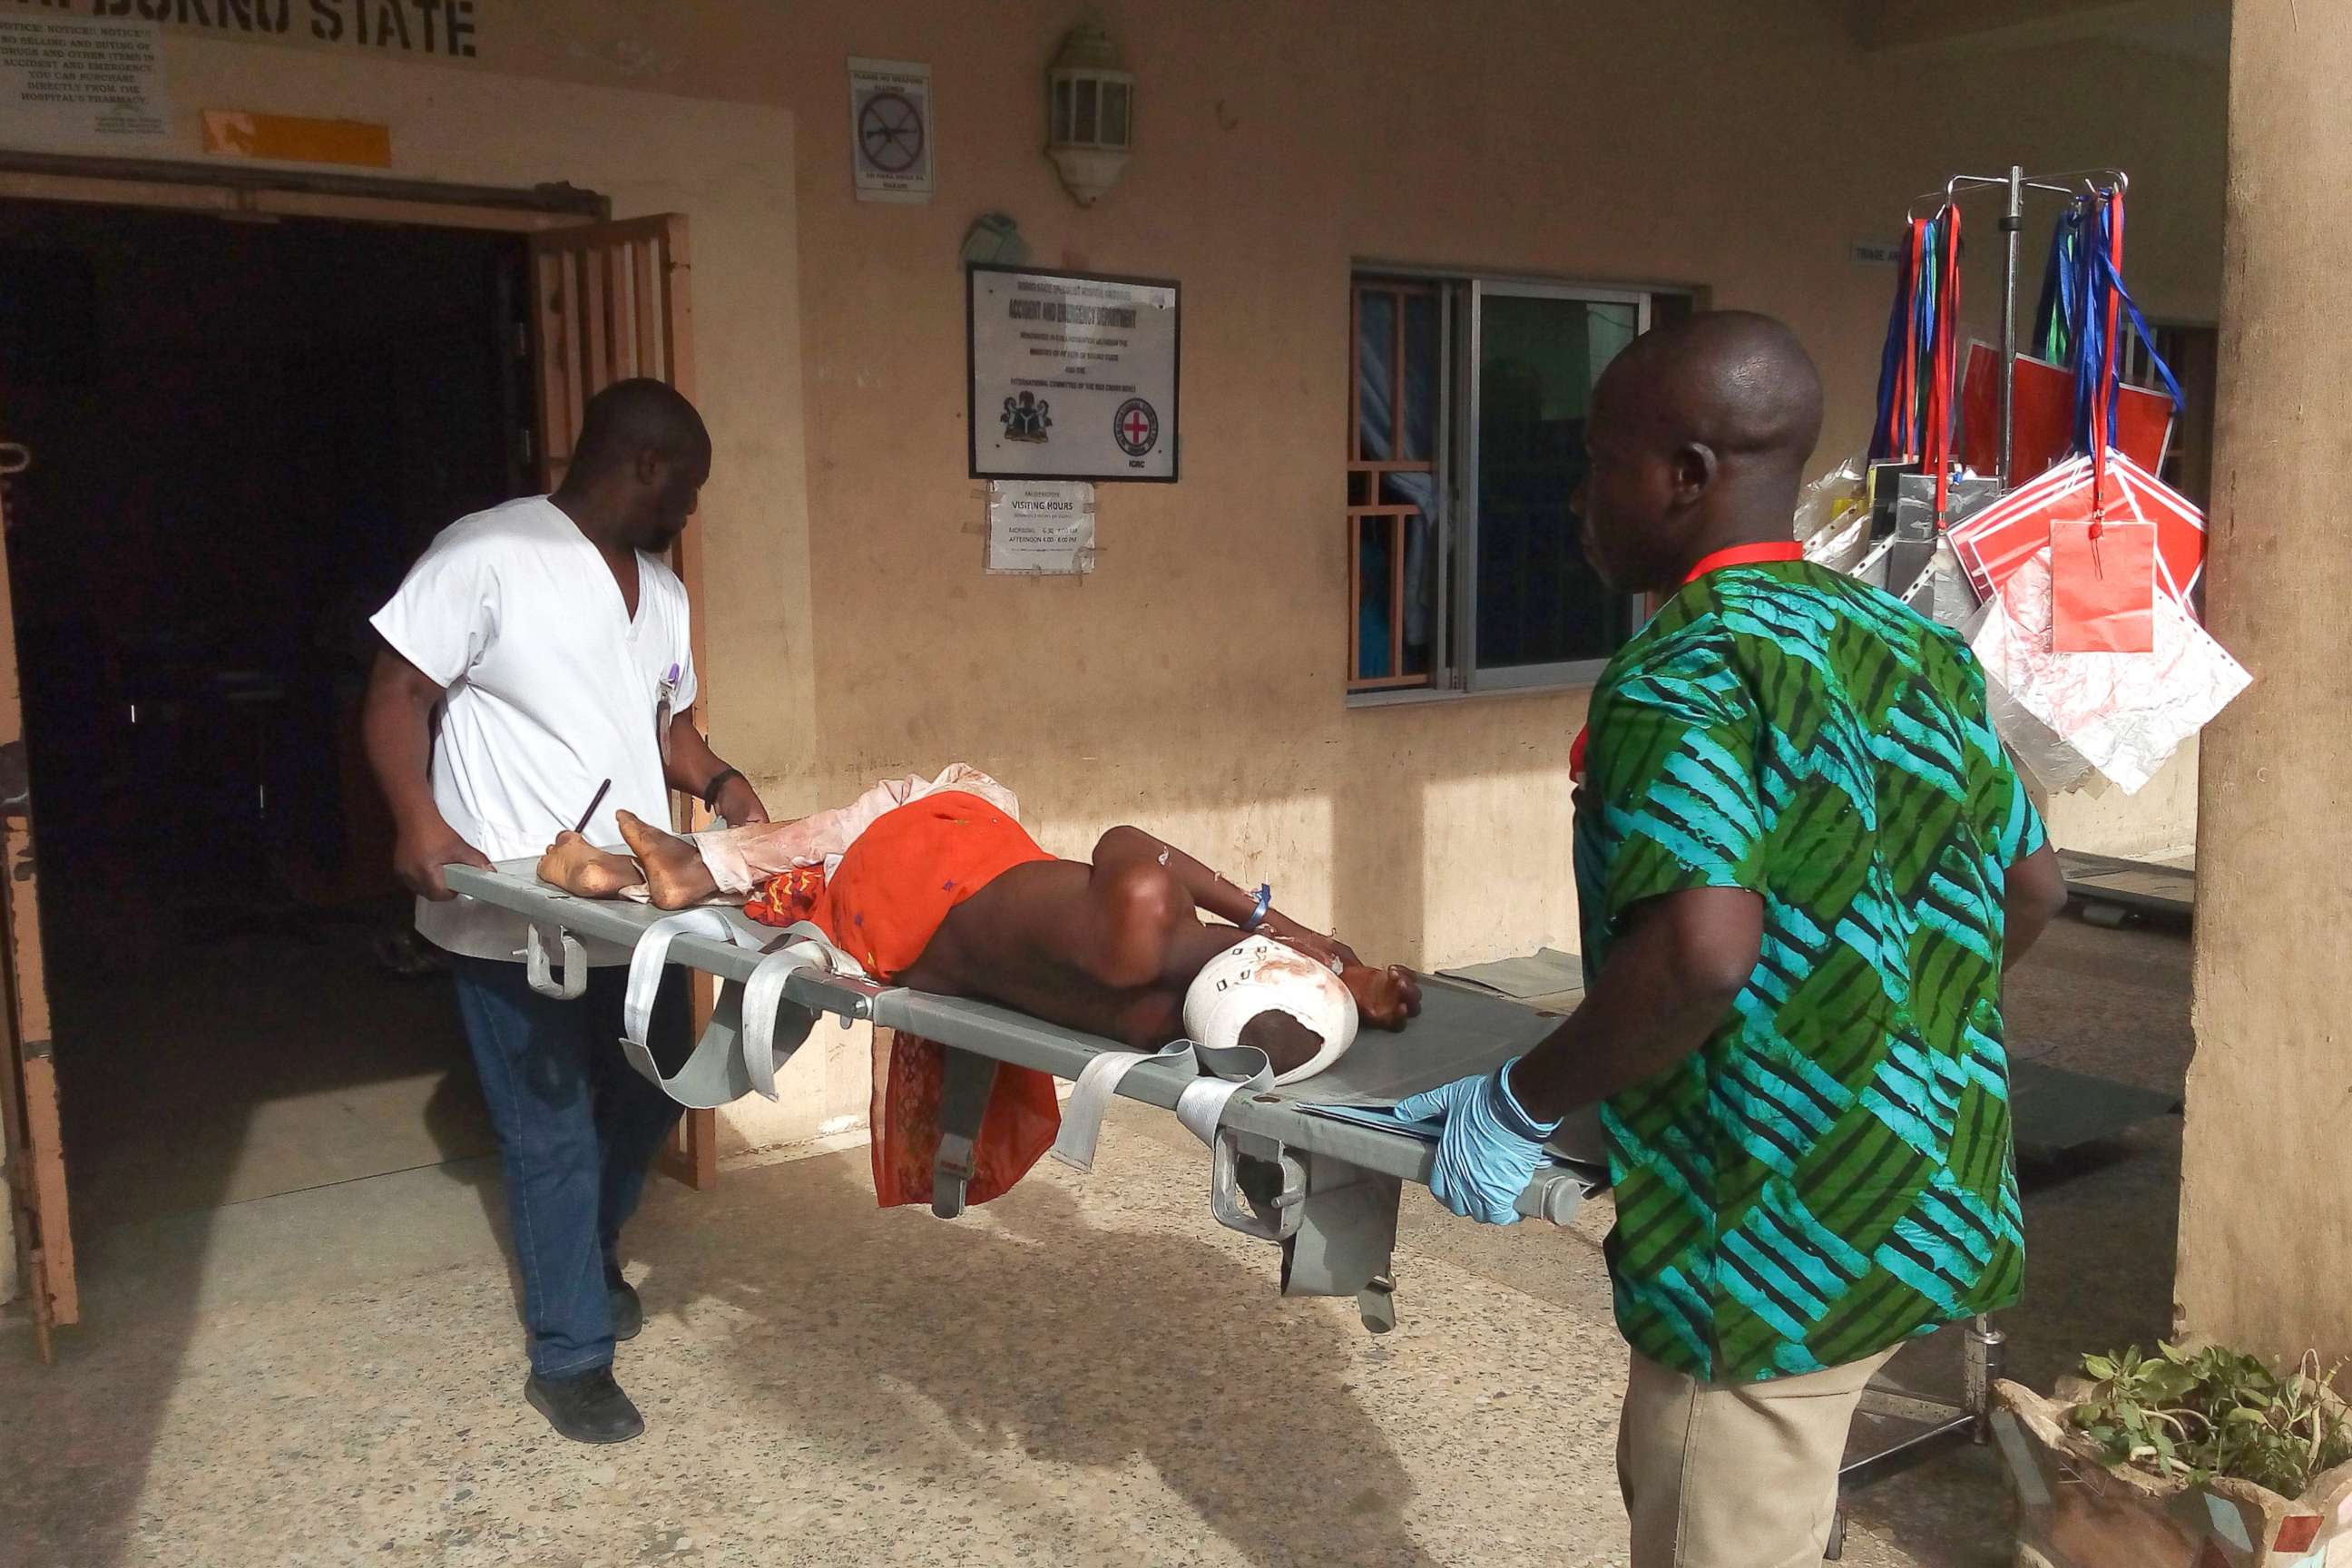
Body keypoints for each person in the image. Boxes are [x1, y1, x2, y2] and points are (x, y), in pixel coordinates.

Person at [1393, 313, 2068, 1568]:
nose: (1578, 494)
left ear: (1687, 475)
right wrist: (1883, 1036)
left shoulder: (1682, 671)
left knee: (1715, 1503)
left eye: (1599, 460)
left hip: (1769, 1248)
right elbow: (2029, 884)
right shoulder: (1904, 640)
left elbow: (1700, 954)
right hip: (1928, 1199)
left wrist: (1518, 1102)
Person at [362, 378, 769, 1446]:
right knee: (548, 1132)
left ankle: (584, 1250)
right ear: (643, 465)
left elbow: (668, 724)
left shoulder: (662, 589)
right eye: (687, 489)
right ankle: (571, 1355)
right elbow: (399, 692)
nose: (690, 511)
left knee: (663, 1083)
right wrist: (416, 819)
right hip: (508, 910)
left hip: (630, 913)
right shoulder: (485, 555)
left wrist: (722, 783)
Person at [536, 764, 1424, 1203]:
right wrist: (1340, 992)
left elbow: (1131, 841)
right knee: (871, 829)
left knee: (937, 787)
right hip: (901, 945)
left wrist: (1293, 930)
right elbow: (1260, 1029)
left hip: (926, 883)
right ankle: (671, 864)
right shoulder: (1155, 1028)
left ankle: (695, 864)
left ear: (1256, 960)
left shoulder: (1145, 905)